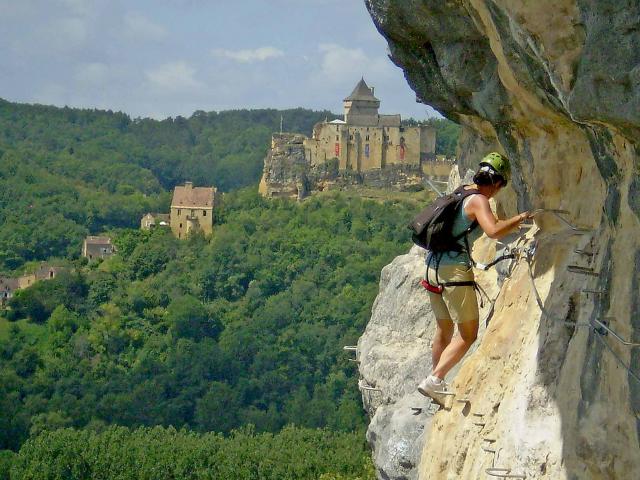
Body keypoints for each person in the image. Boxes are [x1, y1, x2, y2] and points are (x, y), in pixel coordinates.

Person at [417, 152, 530, 404]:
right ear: (497, 182)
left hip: (432, 267)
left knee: (443, 329)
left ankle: (436, 384)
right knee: (468, 334)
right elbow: (492, 231)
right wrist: (520, 219)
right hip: (452, 272)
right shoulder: (479, 200)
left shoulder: (463, 191)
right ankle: (434, 379)